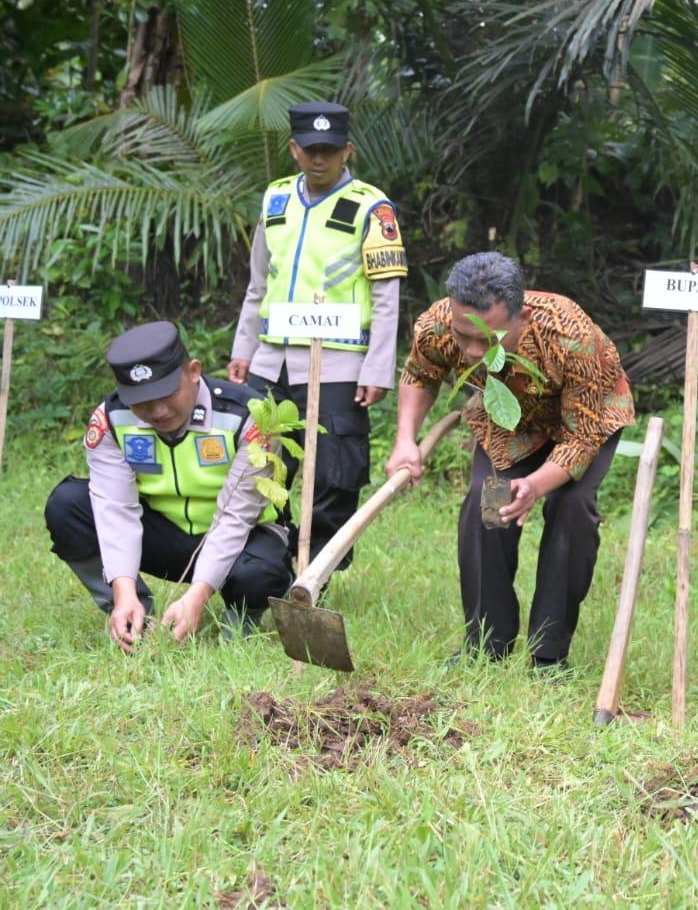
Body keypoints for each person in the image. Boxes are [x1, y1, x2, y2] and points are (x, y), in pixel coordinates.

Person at [386, 252, 634, 671]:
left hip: (583, 420)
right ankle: (487, 645)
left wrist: (536, 485)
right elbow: (419, 373)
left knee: (571, 510)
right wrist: (405, 440)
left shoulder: (568, 333)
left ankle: (548, 655)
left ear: (520, 316)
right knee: (489, 506)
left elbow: (583, 436)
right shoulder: (438, 323)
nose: (473, 351)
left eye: (489, 340)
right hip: (509, 423)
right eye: (465, 336)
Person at [228, 101, 407, 568]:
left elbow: (387, 297)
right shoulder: (276, 199)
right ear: (294, 149)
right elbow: (258, 281)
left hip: (339, 361)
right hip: (272, 359)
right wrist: (243, 349)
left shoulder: (373, 206)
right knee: (259, 463)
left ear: (348, 150)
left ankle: (317, 569)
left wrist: (377, 369)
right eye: (310, 150)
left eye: (330, 150)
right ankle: (266, 560)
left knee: (334, 472)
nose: (320, 159)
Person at [44, 322, 293, 649]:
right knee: (67, 506)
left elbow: (236, 518)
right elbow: (115, 509)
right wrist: (124, 590)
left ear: (193, 372)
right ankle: (131, 614)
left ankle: (241, 619)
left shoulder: (248, 416)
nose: (158, 411)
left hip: (240, 540)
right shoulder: (109, 421)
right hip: (165, 535)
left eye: (167, 394)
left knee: (260, 572)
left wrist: (197, 597)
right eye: (142, 402)